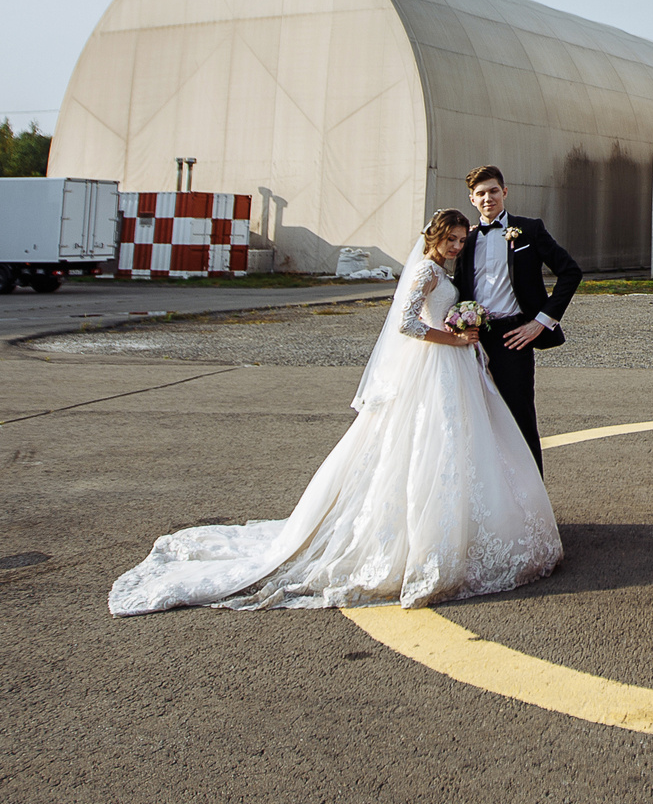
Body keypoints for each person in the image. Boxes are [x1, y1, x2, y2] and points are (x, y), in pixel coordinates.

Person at [107, 208, 562, 615]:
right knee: (427, 443)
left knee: (460, 443)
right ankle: (426, 535)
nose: (458, 246)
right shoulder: (425, 271)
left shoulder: (444, 270)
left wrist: (465, 326)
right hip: (435, 364)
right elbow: (406, 324)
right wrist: (453, 337)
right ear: (434, 238)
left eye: (462, 241)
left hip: (456, 364)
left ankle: (470, 525)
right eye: (451, 240)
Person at [454, 164, 582, 471]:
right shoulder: (464, 241)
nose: (488, 198)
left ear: (505, 192)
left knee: (519, 418)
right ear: (472, 199)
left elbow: (570, 272)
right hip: (472, 340)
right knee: (476, 419)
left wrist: (541, 322)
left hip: (514, 338)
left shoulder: (529, 229)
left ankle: (533, 506)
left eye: (493, 191)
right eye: (481, 194)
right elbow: (456, 288)